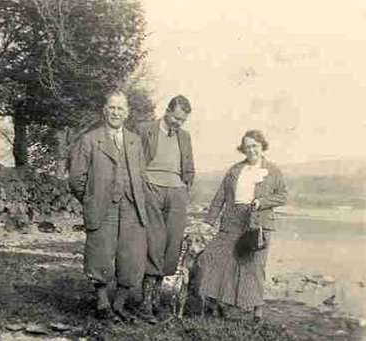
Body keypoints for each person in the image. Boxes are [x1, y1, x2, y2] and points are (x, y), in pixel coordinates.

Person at [68, 91, 149, 323]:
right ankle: (102, 303)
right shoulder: (90, 140)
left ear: (127, 113)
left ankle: (120, 304)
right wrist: (92, 198)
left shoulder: (134, 141)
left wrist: (137, 197)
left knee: (130, 256)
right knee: (100, 254)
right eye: (112, 108)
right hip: (103, 207)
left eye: (120, 109)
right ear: (104, 110)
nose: (115, 112)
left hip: (131, 207)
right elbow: (76, 178)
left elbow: (141, 175)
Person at [199, 129, 288, 322]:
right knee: (216, 258)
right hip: (232, 220)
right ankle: (214, 304)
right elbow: (220, 197)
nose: (251, 150)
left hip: (257, 222)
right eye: (247, 147)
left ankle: (256, 311)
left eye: (254, 146)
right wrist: (208, 222)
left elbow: (282, 196)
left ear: (262, 146)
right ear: (243, 149)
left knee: (254, 266)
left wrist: (261, 202)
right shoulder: (235, 170)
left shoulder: (273, 170)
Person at [136, 95, 195, 323]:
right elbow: (134, 161)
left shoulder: (185, 136)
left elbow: (189, 167)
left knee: (172, 246)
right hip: (151, 188)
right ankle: (145, 304)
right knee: (154, 243)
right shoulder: (145, 130)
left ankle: (157, 301)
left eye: (183, 120)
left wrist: (185, 187)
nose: (178, 123)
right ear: (167, 111)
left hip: (177, 192)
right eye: (176, 117)